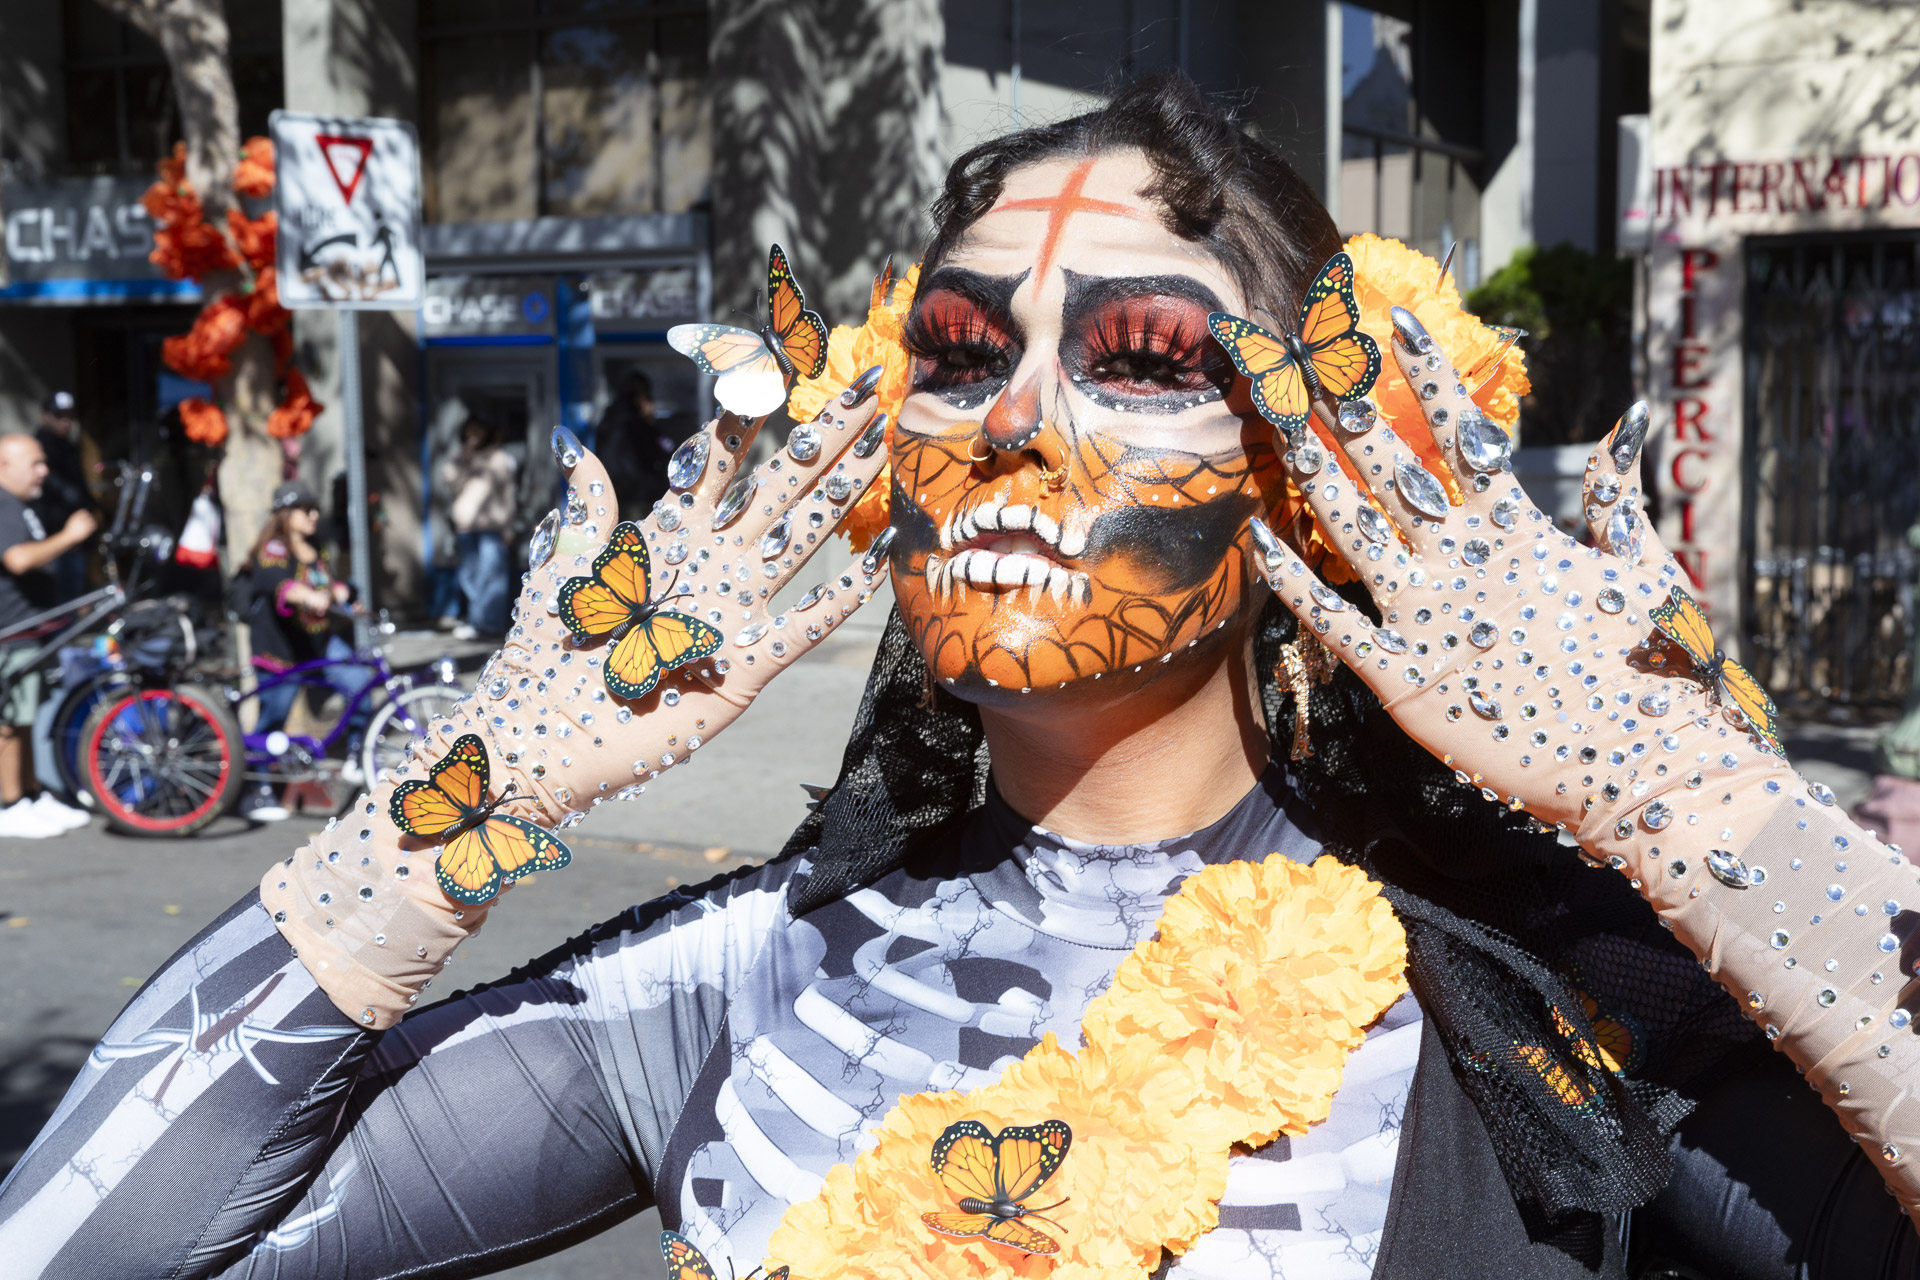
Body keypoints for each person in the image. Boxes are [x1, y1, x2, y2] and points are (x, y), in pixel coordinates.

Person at [2, 73, 1917, 1279]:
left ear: (1320, 467)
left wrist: (1685, 802)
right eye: (953, 345)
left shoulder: (1546, 993)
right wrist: (492, 783)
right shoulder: (751, 975)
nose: (1009, 418)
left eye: (1148, 356)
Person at [240, 480, 373, 818]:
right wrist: (305, 595)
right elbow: (277, 585)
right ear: (286, 514)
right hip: (280, 649)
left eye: (315, 509)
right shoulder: (273, 549)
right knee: (273, 717)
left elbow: (326, 587)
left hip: (319, 643)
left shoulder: (318, 549)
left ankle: (358, 757)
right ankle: (258, 789)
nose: (314, 515)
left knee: (360, 682)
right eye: (306, 509)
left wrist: (344, 596)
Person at [0, 433, 94, 837]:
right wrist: (70, 536)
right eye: (35, 463)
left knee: (25, 720)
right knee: (9, 722)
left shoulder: (21, 506)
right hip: (12, 632)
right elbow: (18, 560)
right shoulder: (3, 504)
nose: (44, 470)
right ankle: (10, 804)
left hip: (31, 630)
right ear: (5, 464)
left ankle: (31, 794)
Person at [437, 416, 517, 639]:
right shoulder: (459, 458)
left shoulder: (499, 457)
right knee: (469, 576)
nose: (474, 436)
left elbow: (508, 493)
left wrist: (509, 527)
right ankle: (479, 618)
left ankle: (489, 624)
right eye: (470, 432)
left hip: (493, 527)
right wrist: (466, 458)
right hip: (464, 527)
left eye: (478, 431)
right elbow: (452, 484)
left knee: (492, 576)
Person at [32, 391, 96, 605]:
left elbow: (79, 488)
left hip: (72, 535)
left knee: (71, 598)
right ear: (45, 417)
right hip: (49, 537)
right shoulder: (37, 448)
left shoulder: (69, 447)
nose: (65, 422)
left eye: (69, 416)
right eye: (59, 416)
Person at [594, 368, 672, 521]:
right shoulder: (637, 423)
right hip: (640, 496)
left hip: (613, 495)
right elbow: (656, 455)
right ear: (641, 396)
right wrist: (651, 425)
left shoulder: (607, 420)